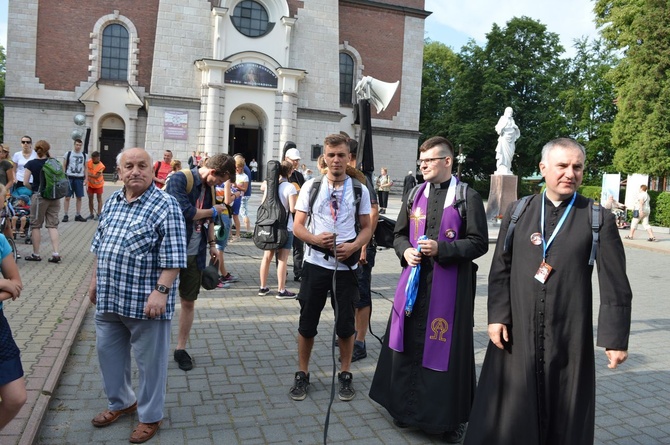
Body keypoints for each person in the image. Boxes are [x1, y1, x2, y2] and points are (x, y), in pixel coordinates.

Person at [465, 138, 632, 445]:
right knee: (512, 411)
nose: (570, 173)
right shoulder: (518, 212)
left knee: (565, 411)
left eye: (577, 167)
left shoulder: (598, 219)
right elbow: (501, 268)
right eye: (562, 166)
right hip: (517, 332)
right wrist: (497, 316)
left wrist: (615, 338)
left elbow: (615, 284)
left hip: (569, 336)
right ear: (543, 169)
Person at [369, 136, 488, 443]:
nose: (422, 165)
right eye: (420, 160)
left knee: (443, 349)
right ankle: (405, 410)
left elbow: (478, 243)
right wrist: (405, 251)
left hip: (449, 288)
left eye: (429, 160)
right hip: (414, 283)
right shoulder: (413, 195)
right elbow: (397, 236)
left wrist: (443, 248)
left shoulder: (467, 196)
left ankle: (446, 420)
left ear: (447, 161)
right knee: (406, 341)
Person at [88, 147, 186, 444]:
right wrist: (93, 281)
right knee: (109, 357)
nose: (135, 171)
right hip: (109, 298)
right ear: (119, 172)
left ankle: (150, 416)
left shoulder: (165, 205)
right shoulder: (113, 202)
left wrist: (161, 292)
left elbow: (175, 257)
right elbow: (99, 246)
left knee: (150, 365)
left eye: (141, 165)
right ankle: (121, 403)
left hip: (146, 304)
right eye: (128, 166)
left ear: (152, 170)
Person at [289, 133, 372, 402]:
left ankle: (345, 373)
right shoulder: (312, 186)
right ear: (324, 158)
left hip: (346, 268)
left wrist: (354, 246)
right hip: (315, 265)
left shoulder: (359, 189)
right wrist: (314, 238)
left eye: (341, 155)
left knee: (346, 326)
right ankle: (303, 372)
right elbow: (298, 226)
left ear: (349, 158)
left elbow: (368, 227)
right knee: (307, 322)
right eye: (331, 155)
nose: (336, 159)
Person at [164, 153, 236, 372]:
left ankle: (180, 348)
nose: (219, 185)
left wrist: (213, 244)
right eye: (220, 180)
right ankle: (153, 346)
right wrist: (214, 210)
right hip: (170, 252)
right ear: (213, 172)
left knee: (188, 301)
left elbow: (209, 220)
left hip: (196, 252)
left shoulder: (211, 188)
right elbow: (184, 212)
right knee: (161, 299)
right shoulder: (180, 179)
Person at [346, 138, 379, 362]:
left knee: (361, 295)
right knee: (347, 294)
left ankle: (360, 342)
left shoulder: (362, 178)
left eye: (342, 154)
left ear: (351, 156)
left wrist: (364, 245)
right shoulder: (343, 178)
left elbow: (374, 211)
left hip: (361, 247)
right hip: (345, 247)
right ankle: (349, 336)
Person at [0, 198, 26, 431]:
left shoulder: (0, 242)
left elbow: (16, 284)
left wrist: (6, 284)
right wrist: (1, 283)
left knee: (16, 398)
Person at [258, 160, 298, 299]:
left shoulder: (270, 186)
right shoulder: (290, 187)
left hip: (269, 225)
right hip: (285, 227)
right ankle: (281, 290)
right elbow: (293, 209)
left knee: (266, 257)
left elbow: (263, 203)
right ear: (290, 171)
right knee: (283, 259)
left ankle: (263, 287)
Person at [24, 140, 63, 263]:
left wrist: (34, 190)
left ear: (36, 150)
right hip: (54, 196)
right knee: (52, 225)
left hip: (39, 196)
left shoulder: (31, 164)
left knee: (36, 225)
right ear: (48, 150)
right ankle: (56, 253)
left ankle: (36, 254)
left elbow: (25, 182)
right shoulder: (54, 163)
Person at [284, 144, 305, 281]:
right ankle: (282, 271)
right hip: (284, 215)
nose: (296, 162)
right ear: (286, 159)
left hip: (297, 215)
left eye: (297, 160)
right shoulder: (280, 174)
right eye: (293, 160)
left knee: (298, 245)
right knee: (282, 246)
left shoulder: (299, 176)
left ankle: (299, 272)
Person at [213, 179, 237, 289]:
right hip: (223, 214)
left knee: (217, 247)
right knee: (219, 249)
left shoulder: (212, 181)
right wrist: (236, 195)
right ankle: (215, 278)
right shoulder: (226, 181)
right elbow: (227, 200)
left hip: (213, 213)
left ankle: (224, 274)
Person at [62, 138, 88, 222]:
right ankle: (65, 214)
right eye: (77, 145)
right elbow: (64, 165)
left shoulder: (84, 155)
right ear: (74, 145)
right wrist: (63, 176)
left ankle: (78, 214)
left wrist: (86, 178)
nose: (78, 146)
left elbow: (86, 167)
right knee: (67, 197)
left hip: (79, 178)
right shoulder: (68, 154)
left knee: (79, 197)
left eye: (80, 145)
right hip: (69, 177)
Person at [494, 106, 520, 175]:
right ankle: (502, 167)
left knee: (510, 155)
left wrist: (516, 128)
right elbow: (498, 128)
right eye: (509, 112)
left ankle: (508, 167)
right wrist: (502, 127)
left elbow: (517, 133)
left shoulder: (512, 120)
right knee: (503, 154)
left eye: (511, 112)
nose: (510, 113)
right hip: (504, 139)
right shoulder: (502, 119)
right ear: (506, 112)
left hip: (511, 141)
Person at [229, 157, 249, 243]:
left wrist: (236, 186)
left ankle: (237, 235)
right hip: (230, 195)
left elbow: (245, 189)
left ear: (242, 167)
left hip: (238, 197)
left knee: (235, 216)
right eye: (236, 167)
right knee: (228, 215)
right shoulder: (233, 174)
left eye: (238, 167)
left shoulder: (245, 177)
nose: (237, 169)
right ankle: (229, 235)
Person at [233, 154, 252, 236]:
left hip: (243, 195)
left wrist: (236, 186)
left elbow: (245, 187)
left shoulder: (245, 172)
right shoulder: (243, 170)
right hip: (239, 195)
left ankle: (248, 230)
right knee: (239, 212)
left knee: (243, 212)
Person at [86, 151, 105, 220]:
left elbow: (96, 176)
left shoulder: (101, 166)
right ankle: (91, 214)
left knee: (99, 199)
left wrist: (87, 174)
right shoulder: (89, 162)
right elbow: (85, 168)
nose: (95, 159)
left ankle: (99, 214)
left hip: (98, 185)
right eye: (93, 158)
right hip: (90, 185)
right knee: (90, 198)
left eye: (97, 158)